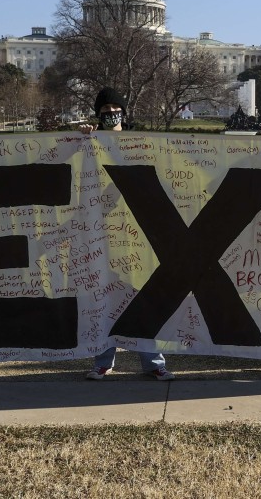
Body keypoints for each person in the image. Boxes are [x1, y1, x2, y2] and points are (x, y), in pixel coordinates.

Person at [79, 87, 175, 381]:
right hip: (102, 232)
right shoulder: (91, 141)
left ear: (124, 111)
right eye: (105, 110)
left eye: (115, 109)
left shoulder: (140, 142)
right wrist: (83, 138)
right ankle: (103, 361)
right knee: (103, 297)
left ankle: (154, 362)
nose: (111, 114)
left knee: (143, 298)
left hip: (139, 231)